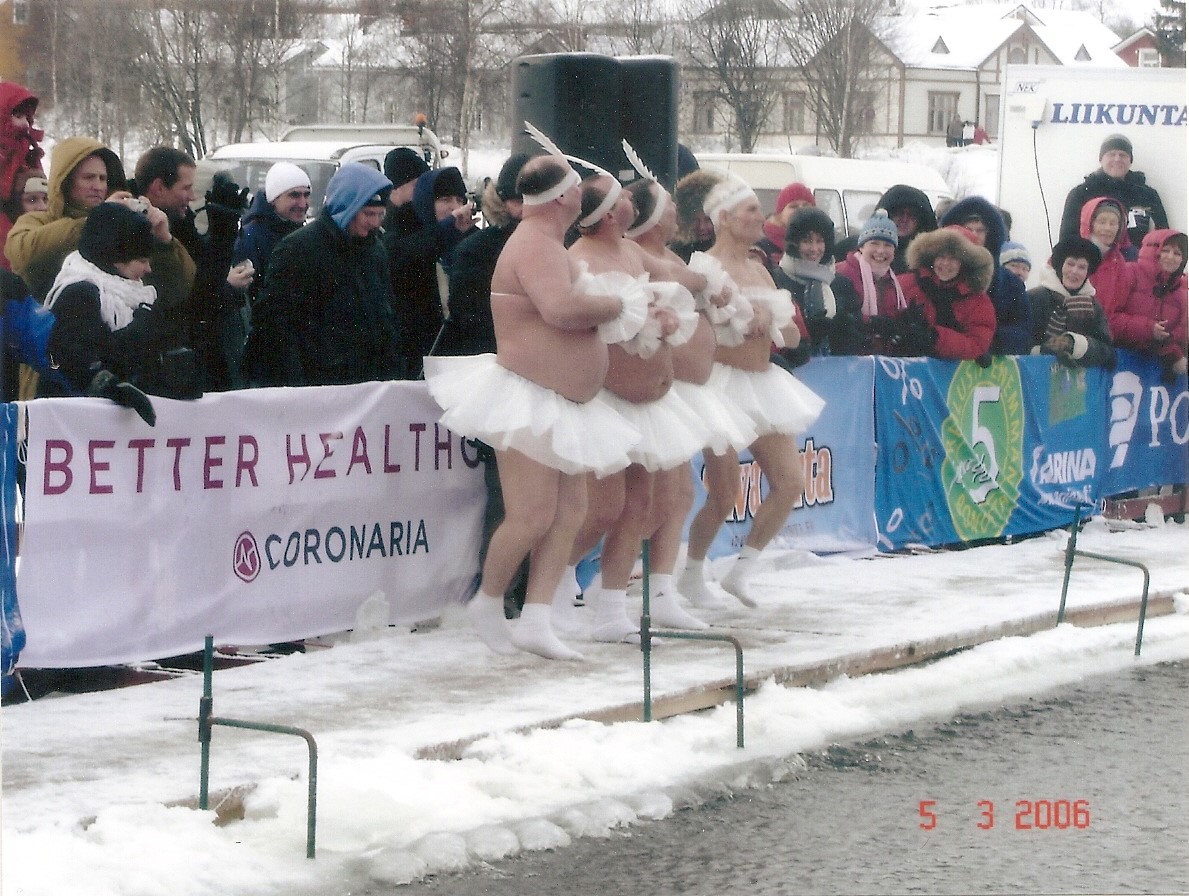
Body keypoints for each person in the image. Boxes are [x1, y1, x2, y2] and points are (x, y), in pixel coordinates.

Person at [423, 151, 643, 660]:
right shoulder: (535, 244)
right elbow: (561, 310)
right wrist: (617, 304)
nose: (580, 194)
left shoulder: (551, 243)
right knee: (531, 513)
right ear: (563, 195)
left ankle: (538, 618)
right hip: (526, 394)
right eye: (575, 186)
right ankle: (490, 600)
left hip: (560, 398)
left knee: (571, 509)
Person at [561, 172, 708, 643]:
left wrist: (710, 286)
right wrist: (645, 317)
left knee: (639, 506)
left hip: (649, 403)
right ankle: (554, 578)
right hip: (609, 400)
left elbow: (673, 274)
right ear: (604, 212)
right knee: (603, 508)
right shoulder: (578, 259)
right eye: (621, 195)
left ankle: (610, 610)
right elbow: (594, 323)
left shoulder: (630, 250)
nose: (631, 200)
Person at [677, 174, 825, 609]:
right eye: (750, 210)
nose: (761, 216)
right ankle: (690, 573)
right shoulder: (702, 268)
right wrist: (742, 326)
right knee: (723, 493)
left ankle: (741, 570)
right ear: (722, 218)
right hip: (721, 385)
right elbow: (695, 334)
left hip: (762, 384)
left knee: (790, 481)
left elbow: (794, 337)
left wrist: (775, 323)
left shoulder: (761, 267)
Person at [624, 175, 756, 629]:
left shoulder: (672, 256)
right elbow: (682, 283)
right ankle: (581, 582)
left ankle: (664, 586)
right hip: (659, 392)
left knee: (678, 496)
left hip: (687, 393)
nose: (679, 214)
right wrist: (705, 283)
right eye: (669, 207)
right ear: (651, 216)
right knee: (639, 501)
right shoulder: (641, 257)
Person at [440, 152, 532, 618]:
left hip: (548, 382)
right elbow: (472, 320)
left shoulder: (558, 247)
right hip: (502, 382)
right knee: (509, 498)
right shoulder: (478, 251)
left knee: (554, 498)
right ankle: (500, 593)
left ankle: (539, 591)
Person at [243, 162, 405, 387]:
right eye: (368, 214)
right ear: (346, 208)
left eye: (380, 214)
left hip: (368, 386)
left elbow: (386, 316)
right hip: (318, 387)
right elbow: (276, 330)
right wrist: (298, 389)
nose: (376, 223)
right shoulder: (298, 249)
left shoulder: (374, 250)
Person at [38, 202, 178, 422]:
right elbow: (81, 362)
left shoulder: (135, 294)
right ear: (113, 258)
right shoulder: (78, 293)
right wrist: (138, 334)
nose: (148, 269)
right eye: (141, 260)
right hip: (78, 423)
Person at [134, 146, 251, 390]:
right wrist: (222, 238)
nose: (192, 196)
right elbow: (198, 301)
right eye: (186, 188)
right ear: (158, 188)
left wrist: (223, 233)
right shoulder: (138, 232)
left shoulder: (181, 223)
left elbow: (205, 282)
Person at [227, 162, 311, 388]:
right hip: (271, 354)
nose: (302, 203)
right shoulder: (250, 236)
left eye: (306, 195)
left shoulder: (302, 233)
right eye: (294, 195)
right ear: (274, 199)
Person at [386, 165, 475, 376]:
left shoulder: (471, 242)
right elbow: (408, 257)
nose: (454, 208)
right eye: (445, 200)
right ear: (426, 201)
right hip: (415, 357)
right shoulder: (399, 234)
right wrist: (447, 231)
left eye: (459, 200)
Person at [939, 196, 1030, 356]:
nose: (974, 235)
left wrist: (988, 342)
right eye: (968, 229)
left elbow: (1023, 330)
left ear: (990, 234)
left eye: (980, 230)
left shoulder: (1011, 284)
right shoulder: (939, 274)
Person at [893, 224, 996, 362]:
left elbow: (977, 345)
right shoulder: (905, 284)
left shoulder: (978, 301)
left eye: (954, 258)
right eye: (941, 256)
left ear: (965, 263)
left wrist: (935, 337)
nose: (945, 263)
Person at [771, 206, 863, 359]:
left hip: (835, 373)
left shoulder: (840, 283)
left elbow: (856, 337)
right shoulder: (777, 279)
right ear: (794, 243)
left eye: (820, 241)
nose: (814, 249)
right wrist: (807, 335)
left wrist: (840, 328)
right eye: (807, 241)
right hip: (792, 372)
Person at [1059, 134, 1168, 249]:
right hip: (1094, 263)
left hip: (1136, 264)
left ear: (1130, 161)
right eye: (1111, 154)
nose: (1117, 159)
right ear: (1101, 159)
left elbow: (1165, 238)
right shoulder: (1081, 194)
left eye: (1123, 155)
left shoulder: (1148, 195)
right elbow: (1067, 239)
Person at [1110, 229, 1187, 382]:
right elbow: (1110, 318)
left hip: (1153, 371)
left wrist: (1173, 351)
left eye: (1177, 253)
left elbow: (1180, 334)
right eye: (1165, 251)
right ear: (1153, 251)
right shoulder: (1130, 272)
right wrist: (1148, 329)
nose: (1171, 257)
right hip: (1119, 363)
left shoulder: (1181, 293)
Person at [1027, 236, 1114, 369]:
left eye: (1082, 267)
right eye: (1070, 264)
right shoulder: (1035, 297)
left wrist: (1074, 344)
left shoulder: (1093, 306)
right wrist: (1045, 350)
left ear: (1087, 273)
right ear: (1060, 265)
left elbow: (1107, 352)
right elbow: (1021, 342)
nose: (1074, 272)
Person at [835, 209, 909, 354]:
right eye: (874, 243)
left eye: (888, 245)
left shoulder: (893, 281)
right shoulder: (843, 272)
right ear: (862, 247)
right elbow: (841, 317)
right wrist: (871, 322)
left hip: (882, 359)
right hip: (853, 357)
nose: (881, 251)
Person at [0, 82, 45, 269]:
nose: (25, 124)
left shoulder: (27, 151)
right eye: (18, 116)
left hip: (25, 236)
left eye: (28, 118)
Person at [1078, 196, 1135, 319]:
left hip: (1106, 332)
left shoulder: (1119, 262)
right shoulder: (1072, 252)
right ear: (1090, 223)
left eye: (1113, 223)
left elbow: (1119, 308)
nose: (1107, 228)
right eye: (1102, 222)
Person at [757, 182, 815, 268]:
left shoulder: (820, 243)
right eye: (793, 206)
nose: (801, 210)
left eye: (806, 205)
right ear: (780, 213)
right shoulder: (761, 246)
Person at [670, 169, 720, 262]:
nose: (702, 227)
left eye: (708, 219)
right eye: (695, 220)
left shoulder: (735, 248)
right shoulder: (676, 254)